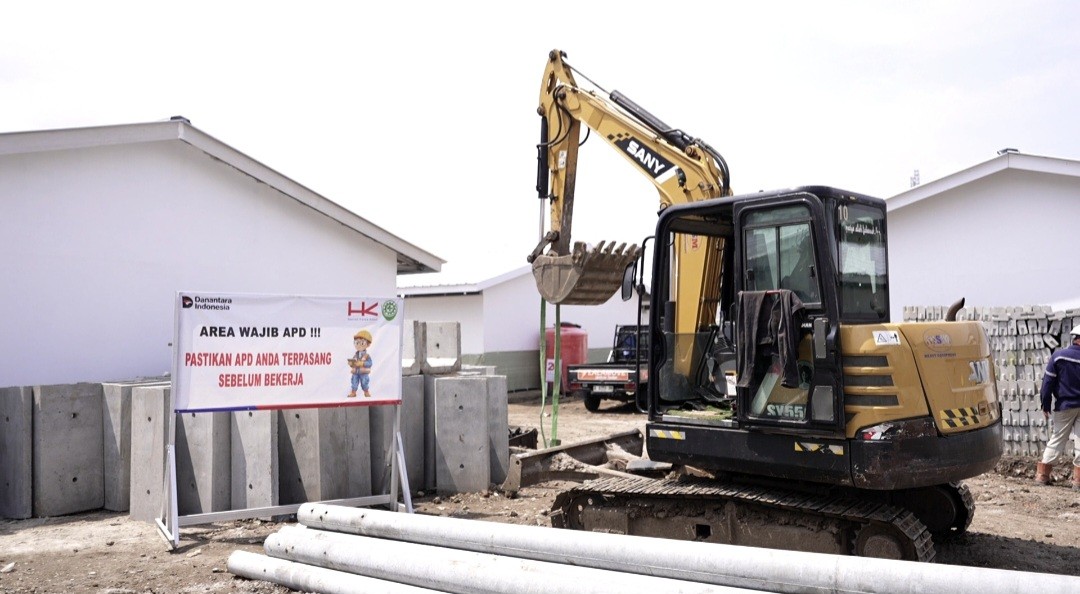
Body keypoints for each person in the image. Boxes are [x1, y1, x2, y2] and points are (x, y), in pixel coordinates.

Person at [1035, 326, 1080, 489]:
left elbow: (1047, 383)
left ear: (1074, 338)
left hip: (1065, 405)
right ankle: (1078, 481)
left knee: (1058, 438)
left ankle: (1042, 475)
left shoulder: (1059, 356)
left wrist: (1045, 404)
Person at [348, 329, 374, 398]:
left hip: (363, 372)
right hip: (356, 372)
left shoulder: (366, 356)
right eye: (357, 343)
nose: (358, 345)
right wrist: (351, 363)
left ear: (368, 345)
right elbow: (353, 362)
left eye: (362, 343)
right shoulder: (355, 355)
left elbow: (370, 363)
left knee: (364, 382)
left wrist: (362, 363)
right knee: (354, 382)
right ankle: (353, 392)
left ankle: (366, 392)